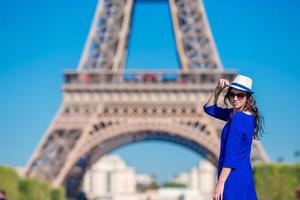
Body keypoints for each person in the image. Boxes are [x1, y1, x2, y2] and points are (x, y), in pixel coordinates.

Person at [203, 74, 264, 200]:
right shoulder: (243, 116)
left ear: (247, 97)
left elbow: (231, 155)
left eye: (240, 95)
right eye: (232, 94)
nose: (235, 98)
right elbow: (209, 109)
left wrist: (220, 183)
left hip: (232, 178)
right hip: (244, 175)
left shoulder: (237, 118)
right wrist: (218, 89)